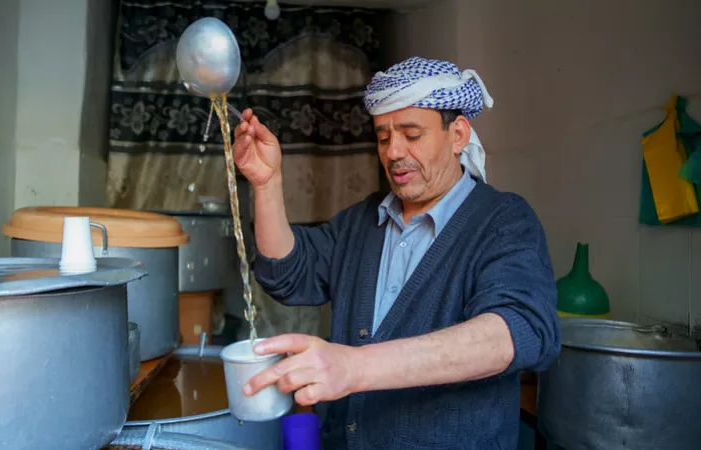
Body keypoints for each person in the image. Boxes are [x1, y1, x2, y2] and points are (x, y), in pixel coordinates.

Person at [232, 57, 561, 449]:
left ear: (458, 134)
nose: (393, 152)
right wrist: (267, 183)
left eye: (412, 134)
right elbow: (287, 272)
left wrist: (355, 366)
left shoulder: (503, 221)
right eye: (384, 137)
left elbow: (517, 331)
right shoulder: (361, 223)